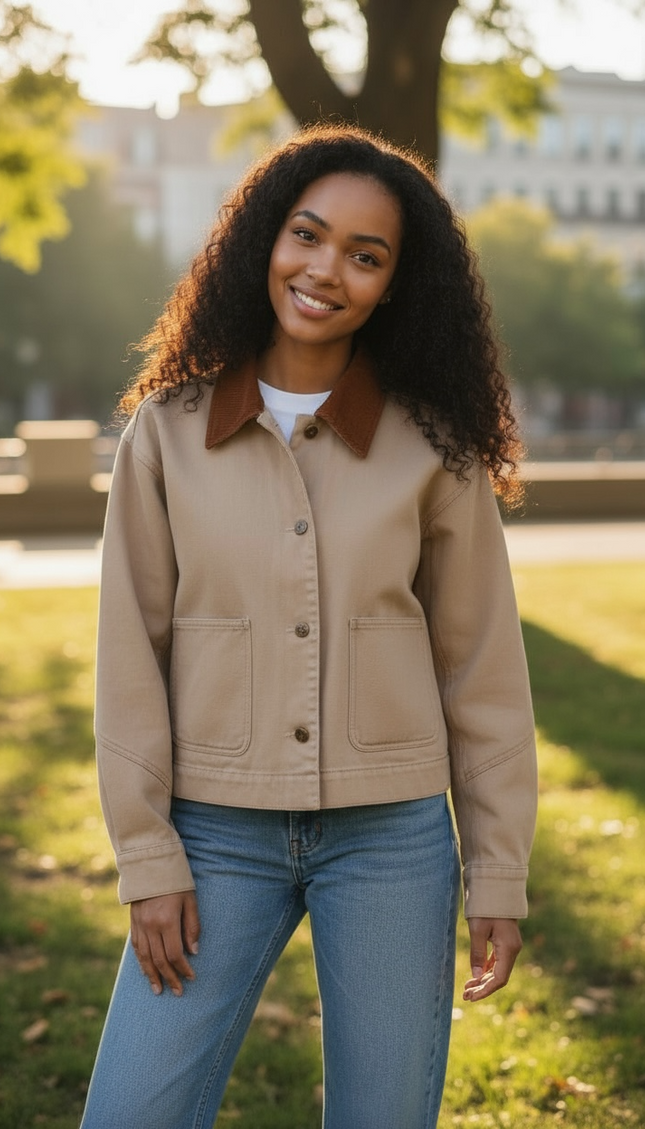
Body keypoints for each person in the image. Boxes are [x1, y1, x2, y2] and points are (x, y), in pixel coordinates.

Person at [80, 124, 537, 1129]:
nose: (327, 270)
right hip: (212, 837)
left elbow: (483, 674)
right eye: (309, 235)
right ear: (263, 241)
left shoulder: (434, 447)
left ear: (392, 286)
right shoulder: (166, 430)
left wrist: (496, 870)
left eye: (365, 257)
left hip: (393, 840)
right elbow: (129, 663)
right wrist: (149, 859)